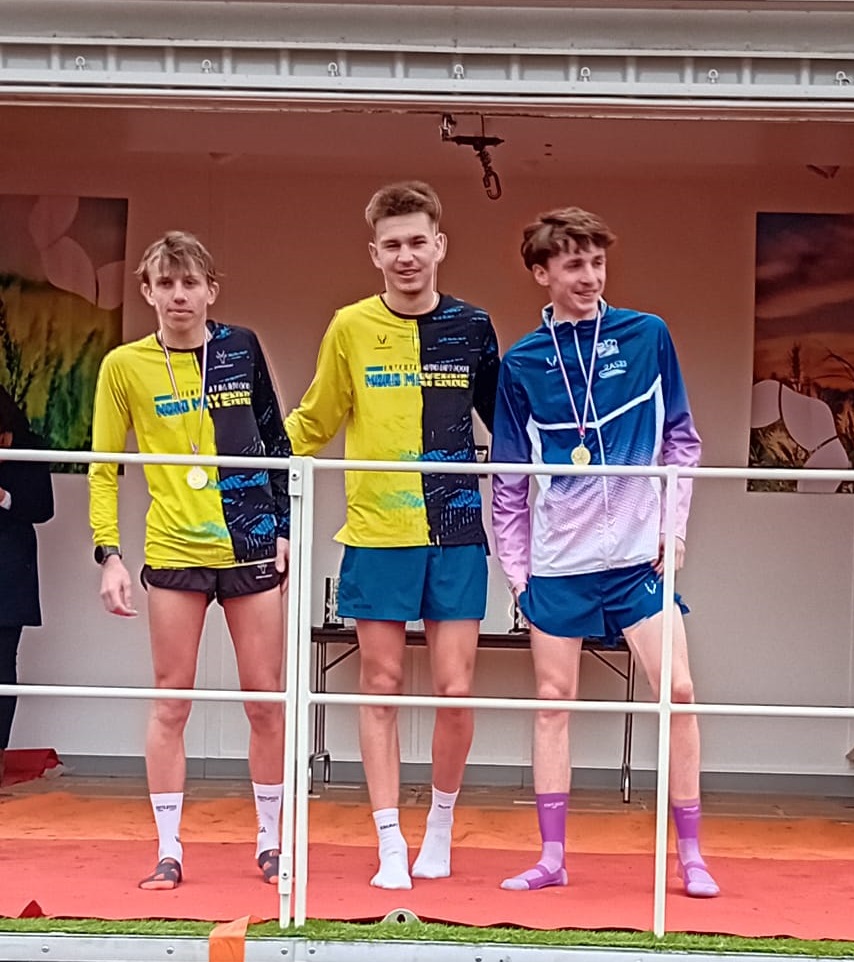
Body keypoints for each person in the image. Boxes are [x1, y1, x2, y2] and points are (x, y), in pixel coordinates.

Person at [491, 207, 718, 898]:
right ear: (542, 273)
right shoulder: (522, 363)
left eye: (597, 263)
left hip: (638, 559)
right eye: (573, 265)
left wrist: (672, 530)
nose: (589, 277)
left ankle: (691, 855)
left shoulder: (647, 335)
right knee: (552, 702)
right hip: (560, 564)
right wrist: (518, 575)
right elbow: (507, 479)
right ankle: (552, 858)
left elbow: (681, 439)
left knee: (678, 692)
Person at [286, 181, 500, 890]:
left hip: (456, 529)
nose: (406, 256)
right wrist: (244, 460)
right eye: (392, 245)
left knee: (455, 691)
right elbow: (315, 419)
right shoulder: (349, 326)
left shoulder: (472, 325)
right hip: (378, 531)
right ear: (374, 253)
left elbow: (508, 425)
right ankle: (387, 841)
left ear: (439, 245)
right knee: (378, 684)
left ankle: (439, 826)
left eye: (417, 242)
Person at [88, 231, 291, 890]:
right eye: (166, 283)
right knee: (171, 701)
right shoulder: (124, 365)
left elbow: (276, 441)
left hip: (249, 540)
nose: (179, 295)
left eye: (190, 283)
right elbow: (103, 466)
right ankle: (169, 850)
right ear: (147, 291)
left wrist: (284, 527)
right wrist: (109, 554)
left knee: (265, 701)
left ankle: (271, 843)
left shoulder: (241, 347)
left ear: (211, 290)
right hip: (174, 546)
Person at [0, 387, 55, 784]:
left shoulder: (30, 447)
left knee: (2, 665)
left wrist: (3, 497)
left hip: (9, 570)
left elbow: (42, 508)